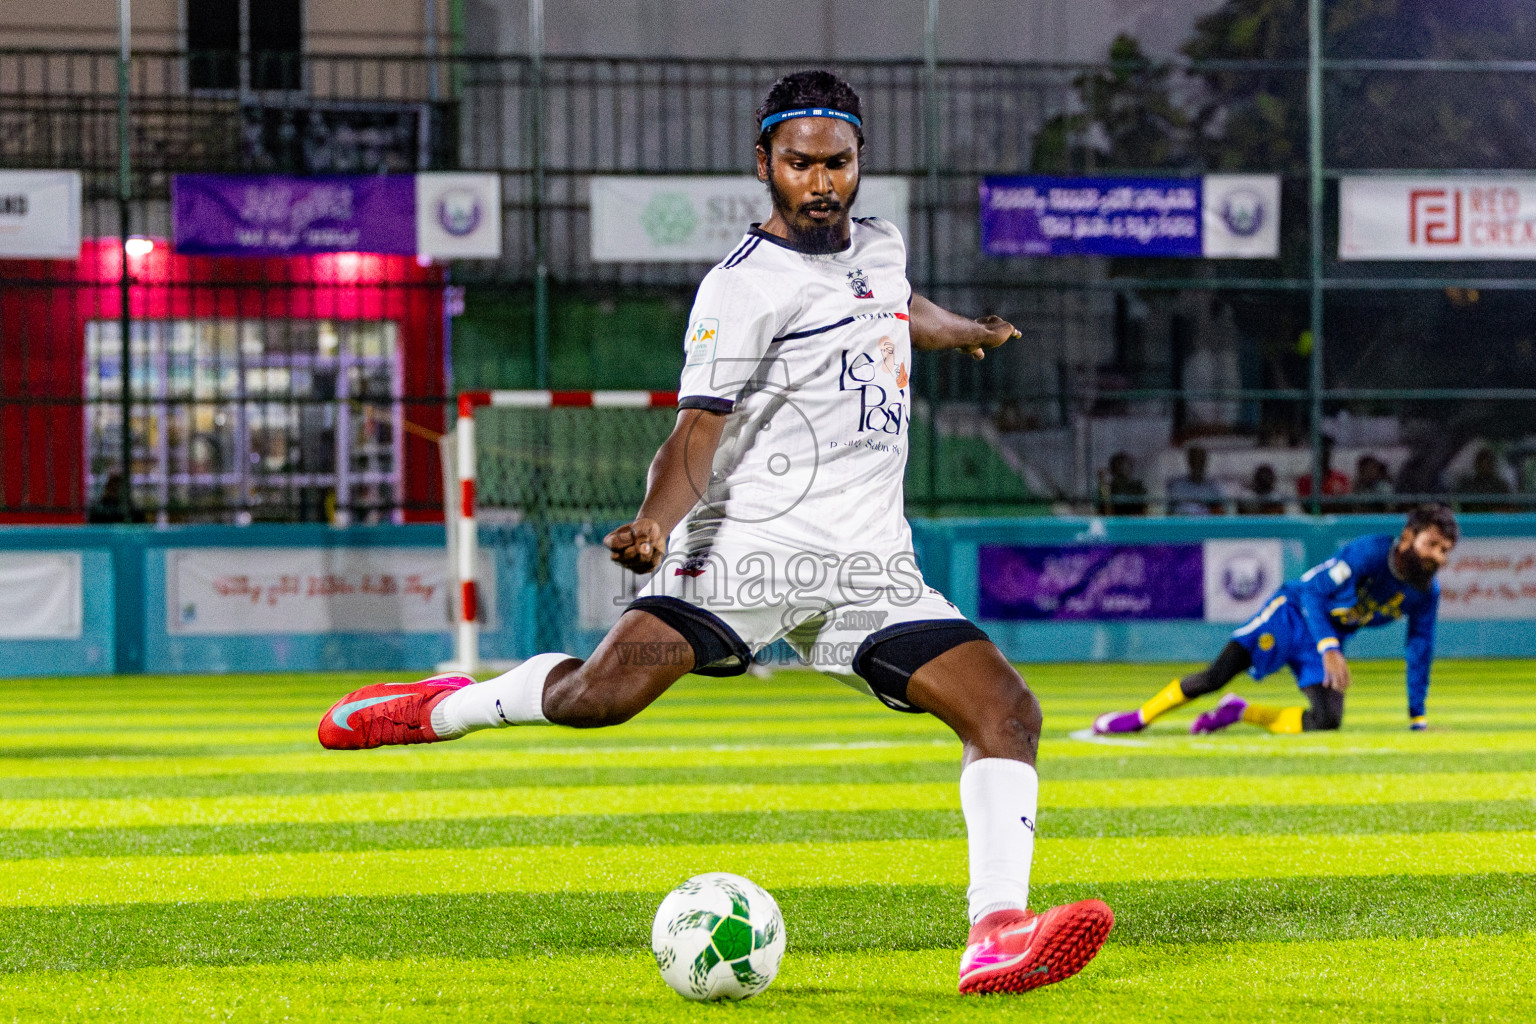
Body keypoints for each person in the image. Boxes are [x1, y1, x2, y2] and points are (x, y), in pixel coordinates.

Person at [315, 71, 1111, 997]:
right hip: (748, 550)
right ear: (764, 164)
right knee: (596, 699)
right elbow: (696, 431)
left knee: (1006, 711)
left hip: (871, 565)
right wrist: (655, 525)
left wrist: (959, 329)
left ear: (862, 163)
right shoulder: (743, 289)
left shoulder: (881, 246)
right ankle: (444, 706)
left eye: (839, 163)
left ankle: (996, 932)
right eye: (801, 163)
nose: (821, 182)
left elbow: (895, 306)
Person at [1092, 504, 1457, 736]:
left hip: (1324, 638)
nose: (1438, 557)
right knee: (1215, 676)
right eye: (1432, 544)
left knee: (1327, 721)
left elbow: (1419, 648)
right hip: (1289, 614)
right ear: (1408, 537)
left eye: (1445, 551)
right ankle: (1138, 718)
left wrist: (1417, 717)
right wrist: (1330, 647)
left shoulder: (1426, 592)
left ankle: (1240, 712)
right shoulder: (1370, 552)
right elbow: (1312, 592)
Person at [1166, 445, 1225, 515]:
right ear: (1189, 462)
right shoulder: (1176, 486)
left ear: (1205, 462)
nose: (1197, 464)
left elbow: (1220, 513)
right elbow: (1169, 514)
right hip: (1182, 523)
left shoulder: (1213, 487)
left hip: (1205, 524)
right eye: (1194, 460)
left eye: (1201, 460)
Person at [1297, 434, 1349, 506]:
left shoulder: (1340, 479)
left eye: (1327, 451)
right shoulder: (1304, 481)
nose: (1324, 455)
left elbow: (1344, 505)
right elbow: (1305, 505)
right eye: (1321, 451)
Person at [1457, 447, 1513, 512]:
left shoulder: (1501, 485)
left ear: (1493, 464)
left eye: (1488, 462)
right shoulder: (1467, 485)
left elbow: (1509, 508)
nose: (1484, 465)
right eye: (1482, 462)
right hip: (1472, 520)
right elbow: (1459, 506)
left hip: (1496, 520)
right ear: (1476, 464)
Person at [1099, 451, 1147, 516]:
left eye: (1125, 466)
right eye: (1118, 466)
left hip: (1135, 523)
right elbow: (1104, 513)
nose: (1122, 470)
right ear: (1113, 470)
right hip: (1113, 522)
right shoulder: (1106, 489)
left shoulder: (1137, 488)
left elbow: (1144, 512)